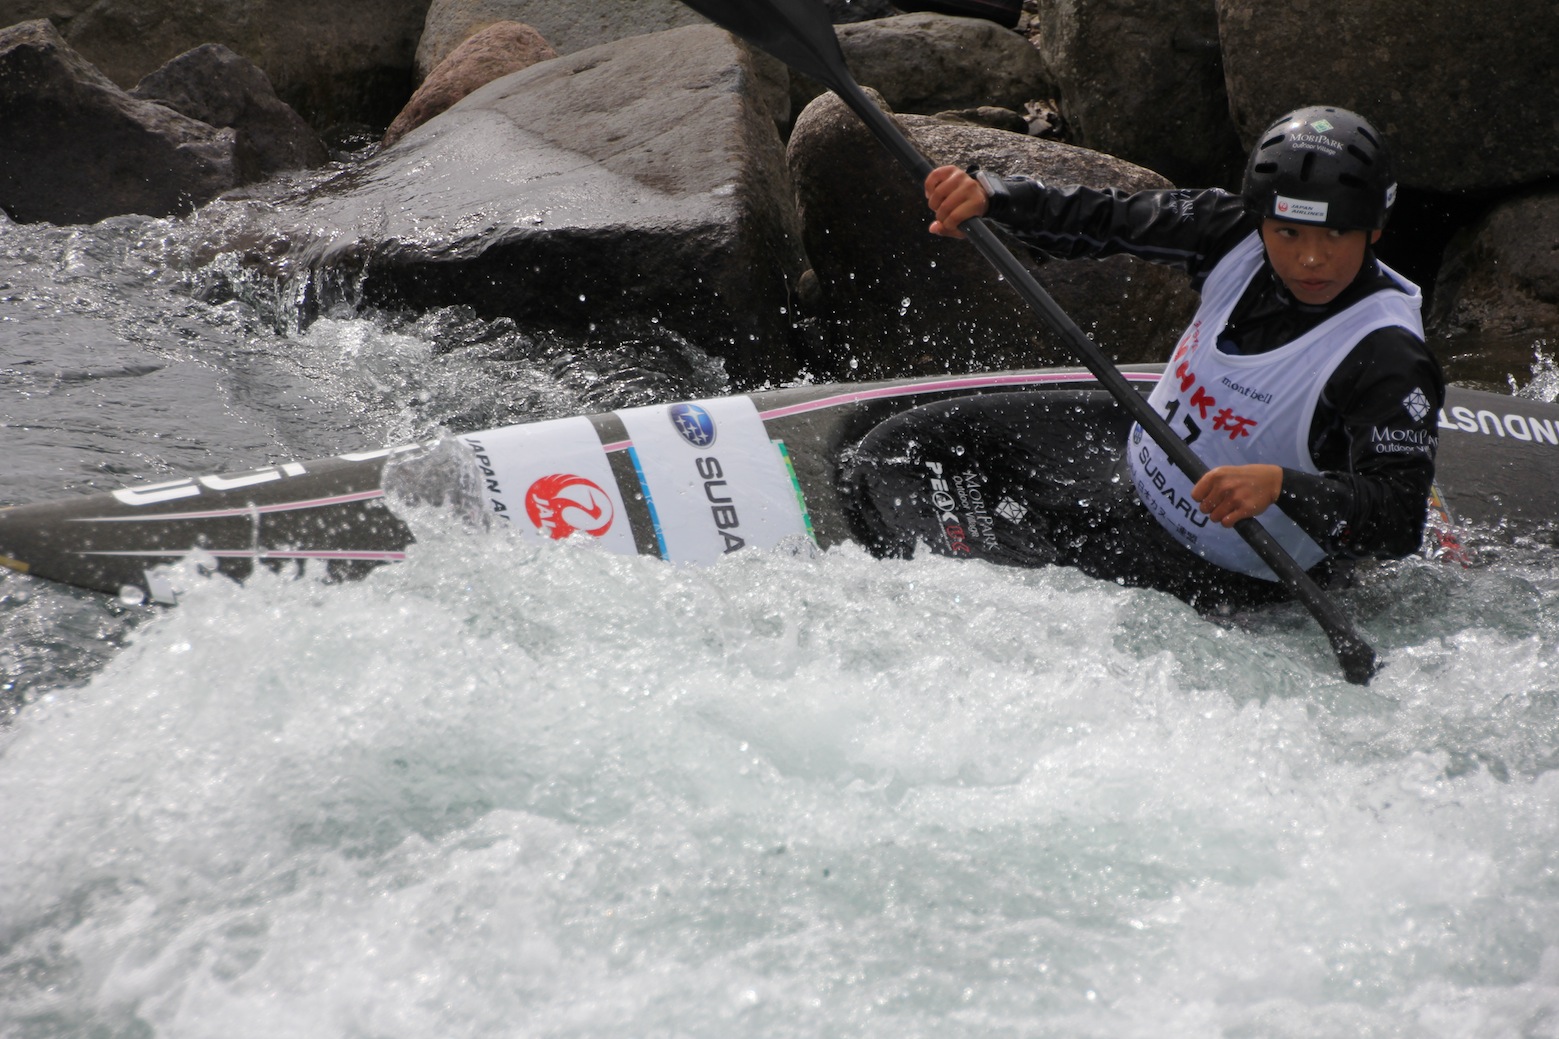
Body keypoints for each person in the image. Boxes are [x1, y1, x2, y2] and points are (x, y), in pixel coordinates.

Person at [911, 105, 1445, 608]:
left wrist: (1282, 486)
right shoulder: (1229, 230)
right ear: (1261, 220)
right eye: (1287, 232)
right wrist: (996, 198)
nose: (1310, 258)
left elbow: (1397, 521)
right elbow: (1109, 217)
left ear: (1374, 229)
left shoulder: (1388, 357)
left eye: (1335, 234)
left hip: (1237, 582)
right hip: (1127, 493)